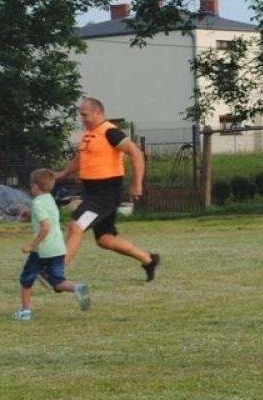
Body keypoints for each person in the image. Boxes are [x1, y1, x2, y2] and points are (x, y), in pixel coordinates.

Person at [55, 97, 160, 280]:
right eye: (81, 115)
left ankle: (56, 272)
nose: (82, 119)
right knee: (105, 239)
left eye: (85, 115)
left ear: (98, 113)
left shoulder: (110, 132)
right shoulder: (90, 134)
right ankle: (149, 260)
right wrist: (64, 173)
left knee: (76, 226)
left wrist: (137, 184)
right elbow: (82, 158)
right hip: (92, 192)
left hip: (104, 194)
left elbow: (136, 153)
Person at [13, 168, 91, 320]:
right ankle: (76, 287)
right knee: (57, 281)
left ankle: (25, 311)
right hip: (58, 248)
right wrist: (29, 214)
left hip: (42, 250)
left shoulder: (37, 203)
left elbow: (45, 226)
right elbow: (47, 216)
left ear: (35, 187)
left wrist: (32, 246)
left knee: (26, 279)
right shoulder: (50, 199)